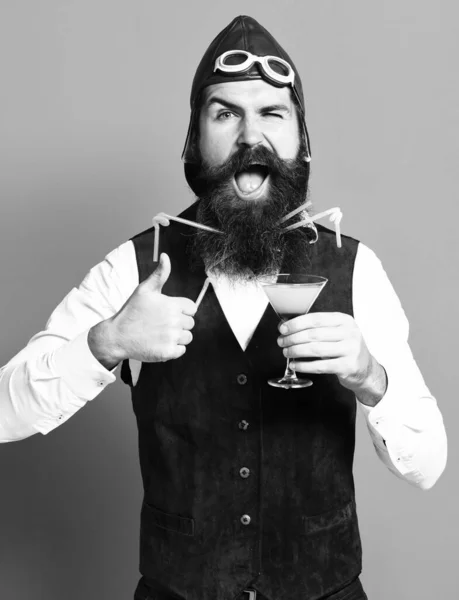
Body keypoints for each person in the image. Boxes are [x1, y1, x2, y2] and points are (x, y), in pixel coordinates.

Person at [0, 15, 447, 600]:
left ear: (300, 142)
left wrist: (371, 378)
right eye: (225, 112)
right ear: (194, 139)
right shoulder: (135, 268)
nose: (249, 138)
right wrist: (106, 343)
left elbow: (428, 466)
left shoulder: (355, 269)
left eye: (271, 114)